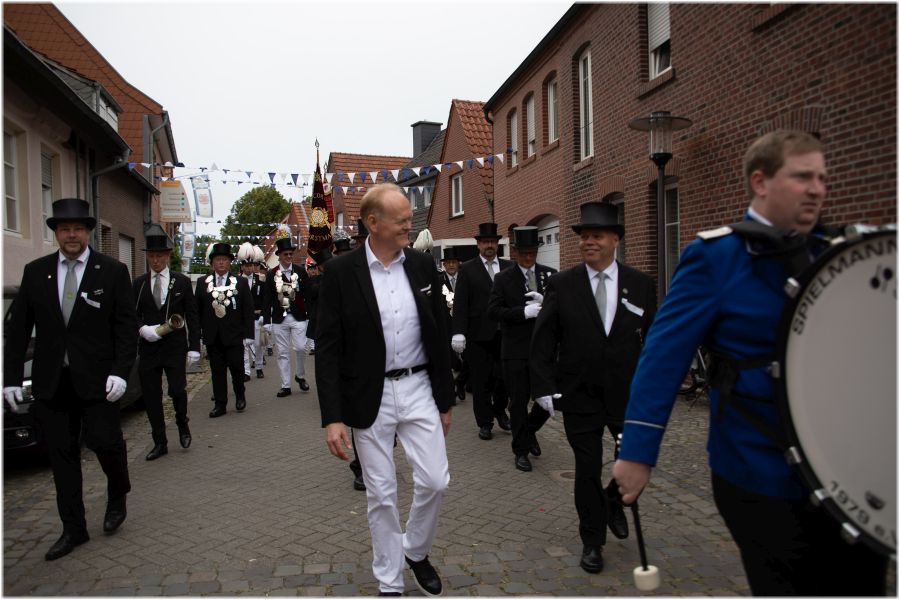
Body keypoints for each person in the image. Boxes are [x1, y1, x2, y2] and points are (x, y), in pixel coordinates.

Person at [612, 130, 888, 595]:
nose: (817, 189)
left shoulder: (842, 254)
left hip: (849, 473)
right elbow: (662, 358)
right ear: (760, 182)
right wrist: (637, 452)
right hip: (761, 468)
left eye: (822, 178)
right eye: (802, 177)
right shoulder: (716, 258)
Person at [317, 182, 453, 596]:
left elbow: (438, 334)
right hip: (368, 394)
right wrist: (332, 418)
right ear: (373, 223)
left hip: (419, 388)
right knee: (382, 493)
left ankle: (414, 549)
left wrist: (445, 400)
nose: (410, 225)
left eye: (410, 219)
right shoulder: (340, 273)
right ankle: (389, 581)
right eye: (402, 220)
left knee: (435, 481)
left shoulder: (423, 266)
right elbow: (328, 348)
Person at [3, 198, 137, 561]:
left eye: (78, 228)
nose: (72, 235)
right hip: (53, 382)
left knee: (106, 443)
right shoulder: (36, 272)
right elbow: (17, 330)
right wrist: (11, 378)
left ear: (88, 232)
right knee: (62, 456)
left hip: (98, 380)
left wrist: (120, 372)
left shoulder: (111, 271)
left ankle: (117, 494)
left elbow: (125, 328)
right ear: (56, 233)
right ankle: (73, 528)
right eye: (65, 229)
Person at [531, 201, 656, 574]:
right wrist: (543, 386)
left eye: (597, 236)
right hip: (579, 394)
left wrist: (655, 389)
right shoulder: (562, 284)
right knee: (586, 468)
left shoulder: (641, 284)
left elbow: (654, 341)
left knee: (633, 461)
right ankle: (592, 540)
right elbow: (543, 339)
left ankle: (613, 501)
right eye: (584, 236)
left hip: (626, 395)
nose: (588, 242)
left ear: (615, 240)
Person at [487, 226, 556, 472]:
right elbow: (493, 311)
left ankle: (528, 431)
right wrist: (522, 312)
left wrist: (547, 304)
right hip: (515, 350)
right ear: (515, 253)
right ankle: (521, 450)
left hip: (543, 350)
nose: (528, 258)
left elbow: (561, 311)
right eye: (524, 253)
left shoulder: (550, 276)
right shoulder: (503, 278)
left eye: (532, 253)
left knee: (549, 399)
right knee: (518, 402)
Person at [133, 229, 201, 460]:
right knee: (151, 396)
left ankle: (182, 422)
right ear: (147, 256)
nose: (156, 260)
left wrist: (194, 347)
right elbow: (130, 314)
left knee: (177, 390)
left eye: (160, 256)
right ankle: (159, 441)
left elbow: (192, 316)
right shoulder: (139, 284)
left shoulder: (181, 282)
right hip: (149, 347)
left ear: (167, 256)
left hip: (174, 346)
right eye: (152, 256)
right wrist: (142, 328)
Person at [451, 222, 512, 440]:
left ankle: (499, 410)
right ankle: (485, 422)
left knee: (505, 378)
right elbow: (461, 304)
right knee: (481, 380)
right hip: (478, 335)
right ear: (478, 244)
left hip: (505, 334)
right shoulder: (467, 269)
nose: (489, 246)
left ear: (497, 244)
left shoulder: (509, 267)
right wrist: (458, 332)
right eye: (485, 242)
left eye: (492, 242)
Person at [195, 242, 255, 418]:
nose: (221, 263)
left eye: (224, 259)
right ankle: (220, 404)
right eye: (217, 260)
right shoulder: (202, 283)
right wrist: (198, 334)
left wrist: (249, 334)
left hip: (234, 335)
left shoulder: (241, 283)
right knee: (217, 372)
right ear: (212, 263)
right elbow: (197, 310)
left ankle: (240, 395)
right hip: (213, 336)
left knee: (237, 368)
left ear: (229, 262)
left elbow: (248, 310)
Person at [263, 235, 311, 397]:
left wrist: (310, 315)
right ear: (279, 256)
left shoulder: (301, 271)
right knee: (282, 352)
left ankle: (300, 375)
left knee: (301, 347)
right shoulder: (271, 274)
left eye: (291, 254)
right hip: (279, 318)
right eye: (286, 254)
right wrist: (266, 320)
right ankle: (286, 385)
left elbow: (307, 295)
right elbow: (267, 299)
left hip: (299, 316)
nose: (289, 256)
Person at [440, 247, 466, 402]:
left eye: (454, 262)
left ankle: (461, 382)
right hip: (446, 326)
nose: (451, 265)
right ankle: (451, 392)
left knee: (468, 359)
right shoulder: (438, 280)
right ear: (444, 265)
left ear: (458, 264)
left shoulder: (465, 278)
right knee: (450, 361)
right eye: (448, 262)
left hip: (464, 325)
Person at [238, 244, 266, 380]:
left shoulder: (260, 279)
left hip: (256, 316)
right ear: (242, 267)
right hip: (242, 318)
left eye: (251, 265)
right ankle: (246, 371)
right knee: (244, 345)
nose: (249, 268)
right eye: (247, 266)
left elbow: (265, 298)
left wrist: (264, 315)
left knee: (258, 344)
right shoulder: (236, 281)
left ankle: (259, 366)